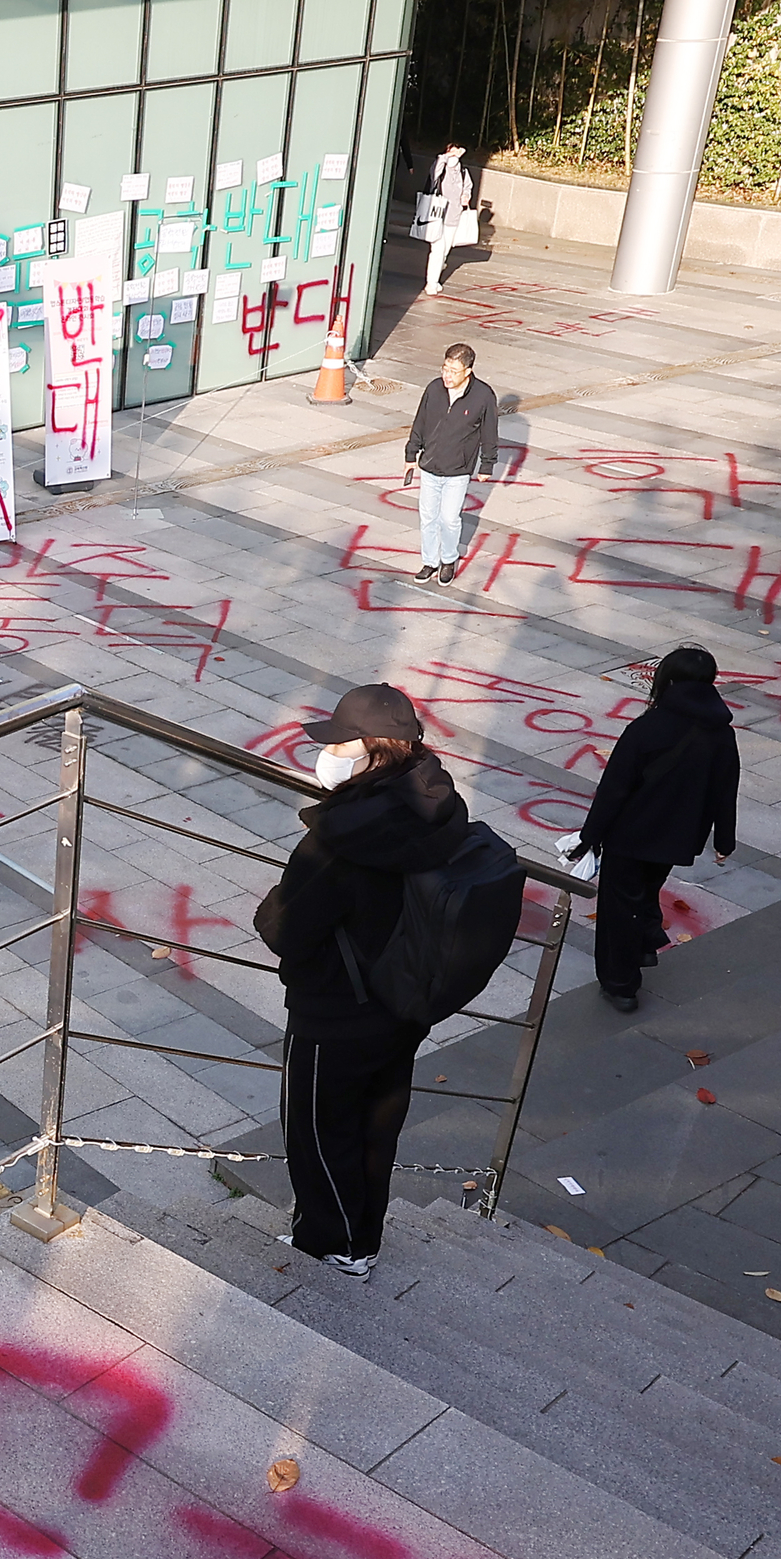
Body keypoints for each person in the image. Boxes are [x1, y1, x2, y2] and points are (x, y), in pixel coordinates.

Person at [259, 685, 477, 1276]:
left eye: (340, 742)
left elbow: (284, 928)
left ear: (371, 751)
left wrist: (274, 904)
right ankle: (362, 1237)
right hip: (404, 1000)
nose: (328, 753)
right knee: (376, 1127)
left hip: (336, 1008)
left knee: (317, 1130)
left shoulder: (342, 838)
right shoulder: (437, 804)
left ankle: (333, 1242)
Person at [567, 648, 743, 1015]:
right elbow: (726, 789)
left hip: (631, 836)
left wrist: (589, 836)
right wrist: (724, 840)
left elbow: (614, 789)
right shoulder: (721, 733)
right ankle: (646, 941)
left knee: (619, 908)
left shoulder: (647, 728)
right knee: (645, 890)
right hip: (678, 839)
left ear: (668, 681)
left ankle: (621, 985)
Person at [403, 342, 498, 583]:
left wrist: (487, 464)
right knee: (427, 516)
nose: (447, 375)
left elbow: (489, 433)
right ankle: (429, 561)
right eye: (445, 368)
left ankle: (448, 559)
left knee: (449, 518)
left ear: (467, 371)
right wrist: (411, 455)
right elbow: (420, 422)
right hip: (430, 465)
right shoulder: (434, 389)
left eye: (453, 371)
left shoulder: (483, 395)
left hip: (458, 470)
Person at [420, 142, 475, 294]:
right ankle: (431, 283)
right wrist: (446, 156)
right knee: (437, 249)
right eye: (451, 153)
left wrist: (466, 196)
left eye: (457, 154)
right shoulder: (441, 168)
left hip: (454, 216)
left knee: (445, 250)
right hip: (437, 215)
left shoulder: (463, 171)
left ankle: (435, 276)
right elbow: (434, 173)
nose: (454, 157)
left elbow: (468, 187)